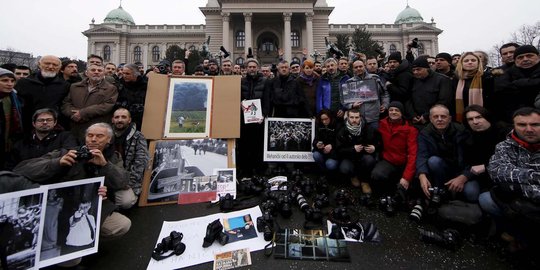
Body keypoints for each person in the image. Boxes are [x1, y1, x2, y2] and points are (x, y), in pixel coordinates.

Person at [14, 123, 131, 239]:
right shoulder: (68, 153)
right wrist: (57, 163)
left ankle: (91, 240)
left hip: (91, 208)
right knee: (74, 256)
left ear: (109, 140)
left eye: (99, 136)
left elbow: (122, 181)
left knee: (122, 224)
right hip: (62, 207)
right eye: (90, 135)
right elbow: (22, 169)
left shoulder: (113, 157)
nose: (93, 139)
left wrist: (105, 166)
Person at [479, 107, 540, 253]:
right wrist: (535, 177)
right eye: (522, 125)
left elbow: (507, 178)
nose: (529, 129)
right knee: (486, 199)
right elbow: (497, 172)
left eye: (535, 124)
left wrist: (519, 188)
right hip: (516, 201)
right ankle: (517, 235)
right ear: (514, 126)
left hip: (525, 198)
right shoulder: (504, 146)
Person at [416, 104, 477, 202]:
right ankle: (441, 191)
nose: (439, 119)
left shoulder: (462, 131)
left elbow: (475, 159)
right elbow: (422, 155)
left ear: (449, 118)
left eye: (443, 116)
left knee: (472, 194)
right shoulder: (425, 133)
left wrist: (464, 176)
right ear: (430, 119)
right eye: (435, 117)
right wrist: (421, 174)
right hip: (442, 169)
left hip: (463, 170)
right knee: (433, 161)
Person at [372, 101, 418, 199]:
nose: (393, 112)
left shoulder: (410, 129)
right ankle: (383, 197)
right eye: (391, 110)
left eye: (397, 110)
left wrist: (406, 177)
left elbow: (413, 154)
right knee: (377, 174)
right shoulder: (382, 124)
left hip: (404, 162)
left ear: (402, 113)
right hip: (388, 160)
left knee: (407, 186)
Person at [62, 63, 118, 140]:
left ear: (103, 73)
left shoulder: (111, 88)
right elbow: (66, 103)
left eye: (99, 70)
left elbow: (107, 106)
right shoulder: (75, 86)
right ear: (86, 73)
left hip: (97, 129)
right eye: (93, 70)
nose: (96, 72)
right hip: (75, 128)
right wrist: (73, 114)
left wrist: (83, 113)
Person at [15, 55, 70, 132]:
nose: (51, 67)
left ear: (59, 68)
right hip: (27, 126)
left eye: (55, 65)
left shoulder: (65, 85)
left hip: (55, 127)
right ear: (39, 64)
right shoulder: (24, 83)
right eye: (47, 63)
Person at [10, 108, 77, 169]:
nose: (45, 122)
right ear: (34, 123)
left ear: (55, 122)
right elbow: (11, 166)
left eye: (49, 120)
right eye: (41, 120)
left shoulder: (65, 137)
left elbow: (69, 155)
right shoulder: (21, 144)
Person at [237, 58, 270, 178]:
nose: (252, 69)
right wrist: (240, 103)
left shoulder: (265, 81)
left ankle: (260, 169)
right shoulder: (241, 81)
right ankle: (246, 170)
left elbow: (267, 99)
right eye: (249, 67)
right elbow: (237, 97)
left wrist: (264, 114)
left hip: (259, 119)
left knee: (258, 144)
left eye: (254, 67)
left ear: (258, 68)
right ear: (246, 69)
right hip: (244, 119)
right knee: (245, 145)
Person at [111, 108, 149, 208]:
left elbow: (140, 164)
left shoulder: (138, 137)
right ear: (112, 120)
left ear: (129, 120)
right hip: (108, 178)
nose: (120, 120)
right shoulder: (105, 135)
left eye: (123, 117)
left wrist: (128, 183)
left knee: (126, 202)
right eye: (117, 117)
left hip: (126, 180)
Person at [494, 45, 540, 127]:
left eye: (529, 56)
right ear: (515, 60)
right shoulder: (506, 73)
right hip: (516, 118)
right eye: (520, 57)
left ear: (538, 57)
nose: (525, 59)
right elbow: (504, 90)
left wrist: (520, 83)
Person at [336, 109, 380, 194]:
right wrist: (352, 149)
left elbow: (379, 142)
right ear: (347, 118)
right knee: (344, 168)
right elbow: (339, 149)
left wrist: (374, 147)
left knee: (369, 160)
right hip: (349, 157)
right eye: (351, 117)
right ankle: (353, 176)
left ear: (360, 117)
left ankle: (364, 181)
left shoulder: (368, 128)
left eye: (356, 117)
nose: (354, 120)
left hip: (363, 156)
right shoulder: (342, 130)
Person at [463, 105, 503, 193]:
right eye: (470, 119)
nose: (475, 122)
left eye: (479, 117)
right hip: (479, 176)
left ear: (487, 117)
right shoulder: (467, 137)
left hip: (502, 173)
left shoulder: (503, 132)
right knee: (470, 193)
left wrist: (486, 166)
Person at [406, 57, 453, 127]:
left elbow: (444, 101)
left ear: (427, 68)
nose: (415, 72)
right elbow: (408, 99)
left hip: (435, 121)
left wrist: (426, 116)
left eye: (418, 69)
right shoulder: (413, 80)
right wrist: (412, 115)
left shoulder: (442, 80)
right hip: (416, 121)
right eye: (413, 70)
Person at [342, 59, 389, 129]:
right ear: (353, 69)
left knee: (373, 138)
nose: (358, 68)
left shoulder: (375, 78)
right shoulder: (349, 82)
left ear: (364, 66)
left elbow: (384, 93)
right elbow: (343, 100)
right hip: (357, 119)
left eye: (360, 66)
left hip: (373, 117)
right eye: (356, 67)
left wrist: (385, 105)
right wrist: (352, 105)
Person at [453, 52, 493, 122]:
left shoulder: (487, 77)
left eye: (473, 60)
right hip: (464, 116)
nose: (470, 62)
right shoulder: (457, 79)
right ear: (461, 63)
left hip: (485, 116)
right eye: (466, 61)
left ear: (478, 63)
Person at [0, 68, 24, 170]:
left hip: (8, 144)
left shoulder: (14, 98)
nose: (10, 84)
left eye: (12, 81)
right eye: (5, 80)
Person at [115, 63, 148, 130]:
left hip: (142, 120)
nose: (124, 76)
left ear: (136, 74)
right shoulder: (119, 85)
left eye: (127, 74)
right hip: (124, 121)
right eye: (123, 73)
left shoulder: (146, 85)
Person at [312, 109, 339, 174]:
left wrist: (331, 146)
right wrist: (317, 144)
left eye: (326, 119)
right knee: (316, 155)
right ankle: (324, 172)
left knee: (330, 164)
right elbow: (315, 141)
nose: (324, 122)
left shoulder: (337, 125)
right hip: (322, 151)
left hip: (334, 153)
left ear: (330, 117)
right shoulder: (320, 126)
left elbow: (340, 142)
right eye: (322, 120)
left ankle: (333, 174)